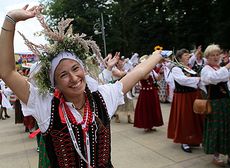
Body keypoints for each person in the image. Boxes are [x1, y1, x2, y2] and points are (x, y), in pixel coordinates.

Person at [0, 5, 170, 168]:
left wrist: (158, 55)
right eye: (63, 74)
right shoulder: (45, 105)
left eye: (76, 69)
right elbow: (7, 72)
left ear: (83, 69)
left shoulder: (102, 98)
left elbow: (138, 72)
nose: (73, 78)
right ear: (55, 83)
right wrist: (10, 20)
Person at [200, 44, 230, 167]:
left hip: (227, 102)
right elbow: (212, 79)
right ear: (207, 57)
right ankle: (216, 156)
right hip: (215, 104)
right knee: (217, 130)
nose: (215, 57)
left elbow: (228, 86)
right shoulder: (206, 69)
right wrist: (227, 67)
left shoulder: (220, 68)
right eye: (212, 55)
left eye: (217, 54)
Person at [167, 49, 204, 153]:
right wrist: (198, 79)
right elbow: (182, 81)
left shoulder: (189, 68)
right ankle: (185, 141)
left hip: (193, 95)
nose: (188, 56)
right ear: (180, 57)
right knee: (185, 118)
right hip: (183, 97)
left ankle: (195, 139)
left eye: (188, 54)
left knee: (195, 117)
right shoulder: (176, 68)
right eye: (185, 55)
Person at [133, 55, 164, 132]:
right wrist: (150, 67)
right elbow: (145, 77)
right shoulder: (142, 70)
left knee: (152, 108)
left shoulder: (152, 70)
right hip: (145, 92)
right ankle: (146, 125)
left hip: (152, 92)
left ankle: (151, 125)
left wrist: (161, 72)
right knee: (146, 109)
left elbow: (158, 78)